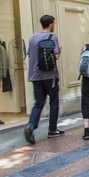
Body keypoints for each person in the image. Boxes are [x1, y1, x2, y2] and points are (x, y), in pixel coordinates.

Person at [24, 15, 63, 144]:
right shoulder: (52, 37)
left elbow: (30, 56)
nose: (54, 25)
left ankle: (31, 125)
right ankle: (52, 129)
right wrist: (59, 49)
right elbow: (56, 56)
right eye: (54, 23)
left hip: (35, 76)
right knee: (54, 102)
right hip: (50, 76)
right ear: (51, 24)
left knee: (39, 103)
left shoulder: (33, 38)